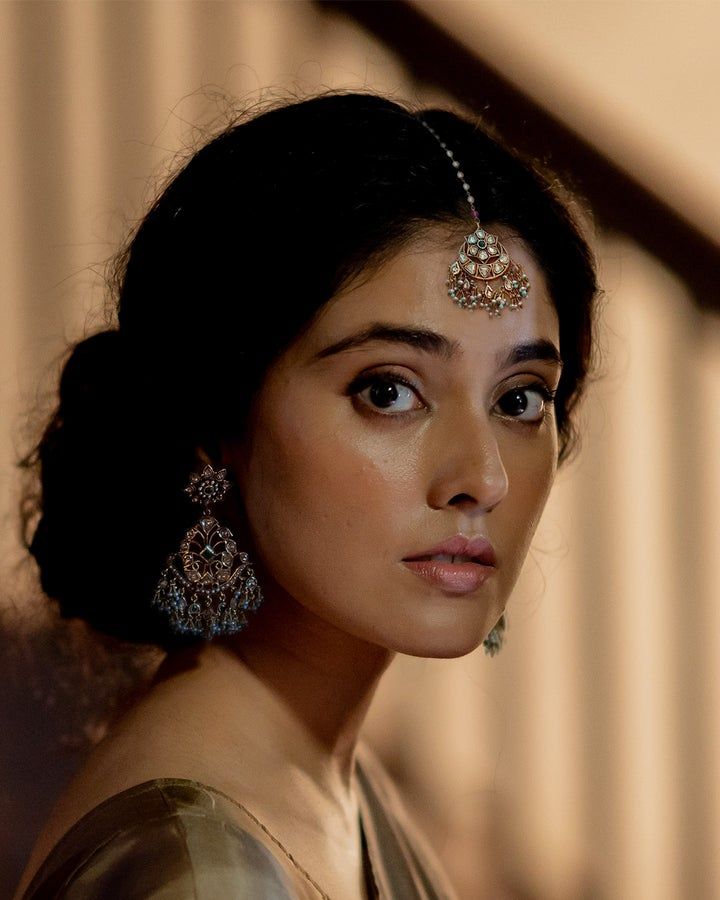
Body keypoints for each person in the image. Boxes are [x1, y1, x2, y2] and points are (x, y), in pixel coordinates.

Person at [14, 91, 597, 899]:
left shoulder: (334, 790)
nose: (485, 477)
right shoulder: (198, 871)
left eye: (521, 398)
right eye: (389, 391)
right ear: (220, 420)